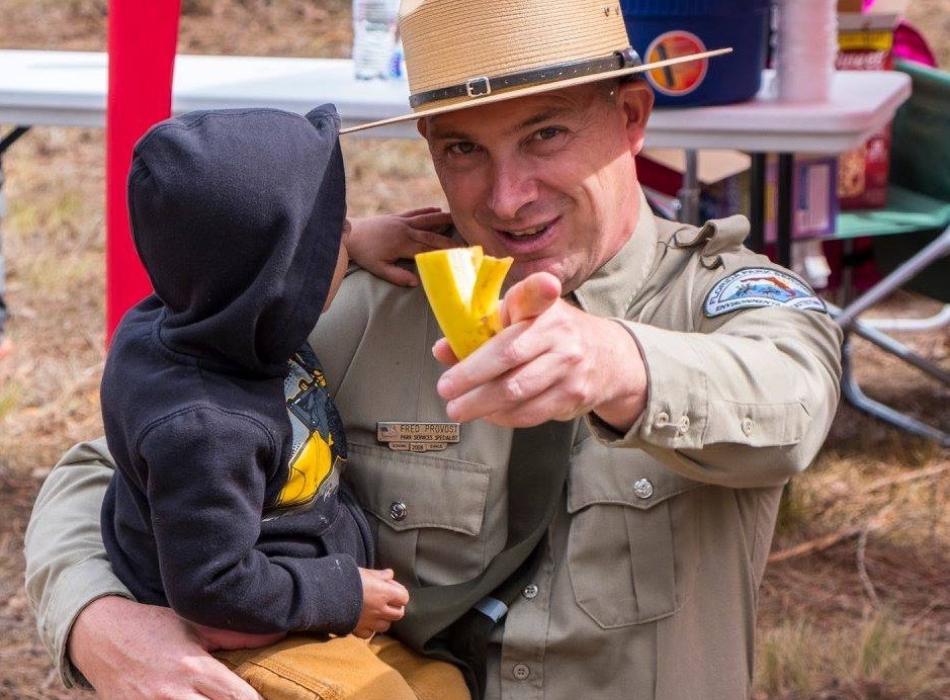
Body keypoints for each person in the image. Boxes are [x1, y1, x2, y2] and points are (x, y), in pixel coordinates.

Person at [25, 1, 843, 698]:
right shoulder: (362, 305)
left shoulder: (718, 302)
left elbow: (793, 398)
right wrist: (101, 623)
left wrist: (617, 363)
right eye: (463, 149)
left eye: (546, 134)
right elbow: (107, 465)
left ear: (631, 117)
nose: (506, 197)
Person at [93, 103, 468, 699]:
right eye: (329, 238)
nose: (345, 238)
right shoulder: (205, 428)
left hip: (286, 593)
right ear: (282, 281)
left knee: (443, 682)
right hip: (246, 629)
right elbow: (211, 587)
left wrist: (355, 243)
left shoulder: (196, 312)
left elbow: (251, 261)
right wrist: (340, 594)